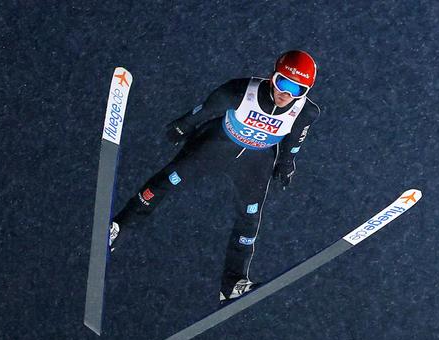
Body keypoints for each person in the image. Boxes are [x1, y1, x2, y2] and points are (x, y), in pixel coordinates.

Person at [109, 50, 321, 303]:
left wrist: (286, 165)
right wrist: (183, 126)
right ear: (271, 76)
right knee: (168, 180)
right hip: (217, 145)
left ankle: (233, 283)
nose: (286, 93)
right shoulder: (240, 90)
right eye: (283, 82)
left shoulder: (305, 112)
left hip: (255, 162)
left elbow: (295, 141)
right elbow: (204, 110)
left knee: (250, 218)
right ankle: (118, 227)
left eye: (297, 90)